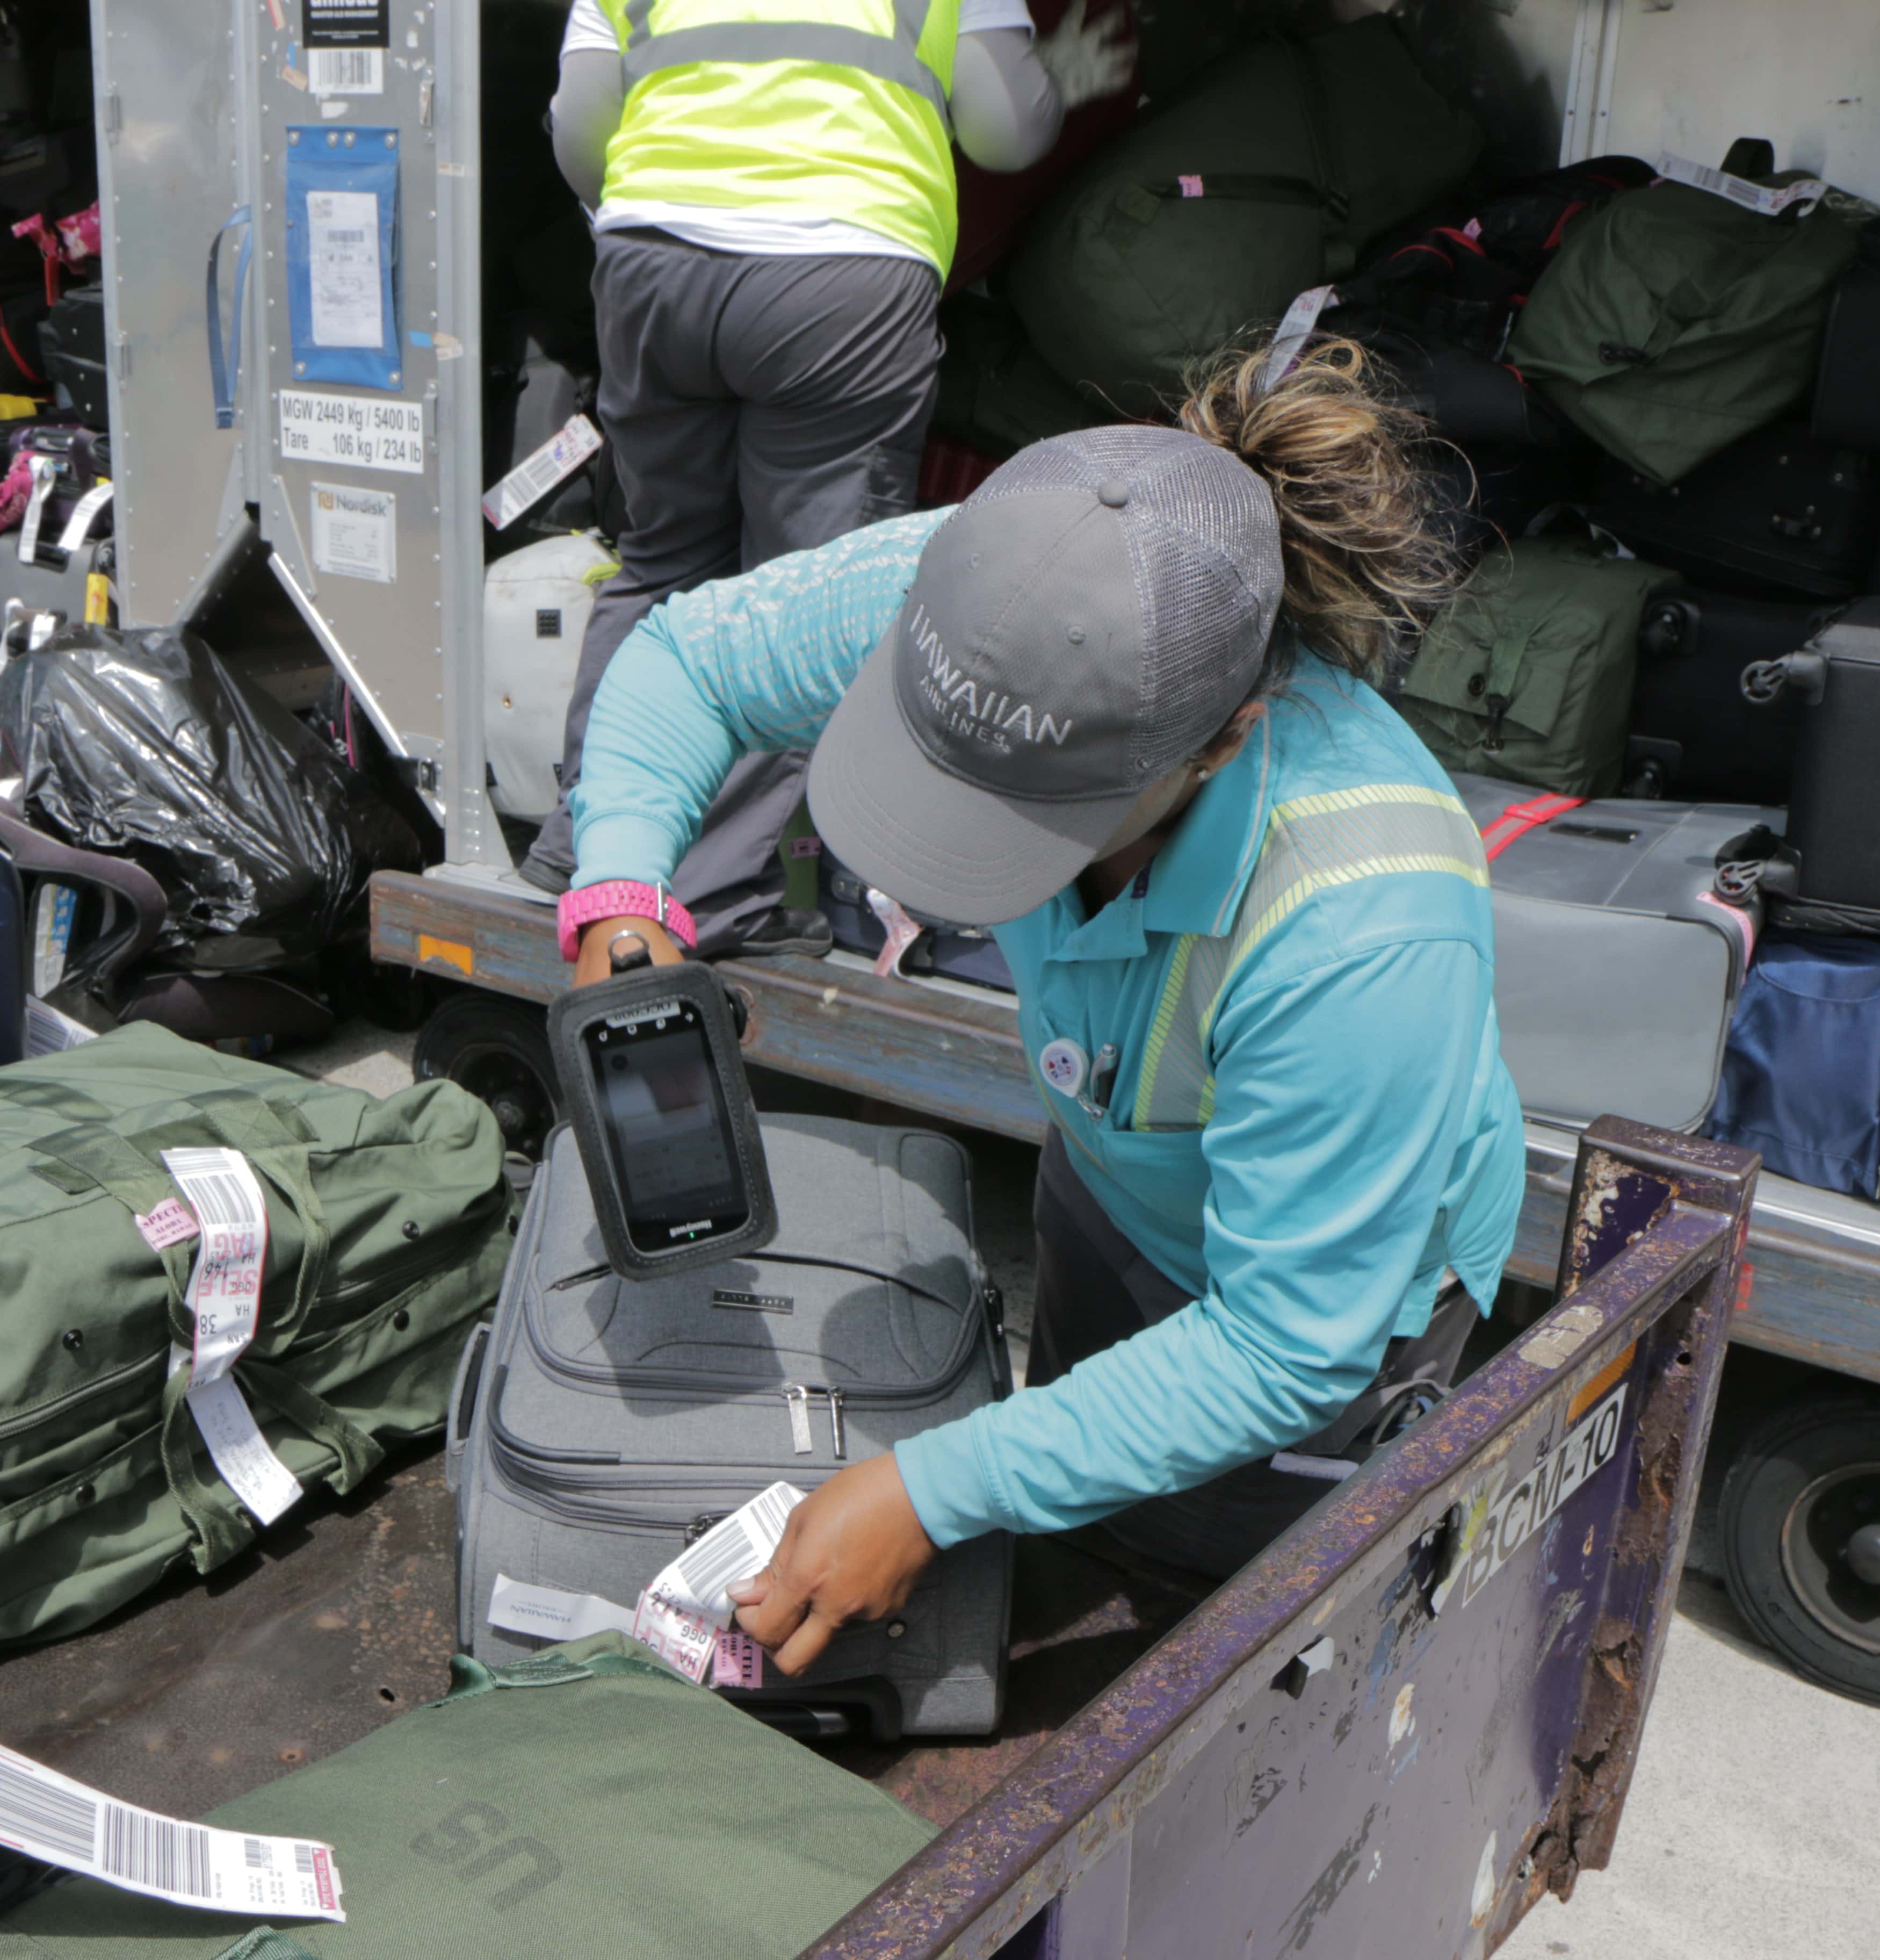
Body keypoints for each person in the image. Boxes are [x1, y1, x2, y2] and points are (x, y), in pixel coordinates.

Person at [556, 338, 1528, 1673]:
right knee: (1064, 1493)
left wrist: (929, 1492)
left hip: (1331, 1314)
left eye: (1026, 818)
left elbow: (1286, 1342)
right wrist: (620, 896)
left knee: (1210, 1634)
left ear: (1224, 740)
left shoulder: (1364, 927)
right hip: (1122, 1153)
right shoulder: (994, 600)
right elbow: (687, 664)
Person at [525, 0, 1136, 953]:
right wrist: (1057, 74)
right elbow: (1009, 132)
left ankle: (596, 855)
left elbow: (580, 132)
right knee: (799, 590)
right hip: (842, 269)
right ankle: (720, 900)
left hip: (654, 268)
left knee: (658, 560)